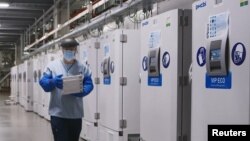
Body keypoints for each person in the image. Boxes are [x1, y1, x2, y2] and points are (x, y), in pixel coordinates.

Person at [39, 38, 94, 141]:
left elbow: (89, 84)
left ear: (76, 50)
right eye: (66, 49)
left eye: (72, 49)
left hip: (76, 115)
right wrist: (53, 82)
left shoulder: (82, 67)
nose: (69, 51)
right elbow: (43, 82)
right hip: (58, 114)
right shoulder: (52, 66)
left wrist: (82, 92)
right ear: (62, 50)